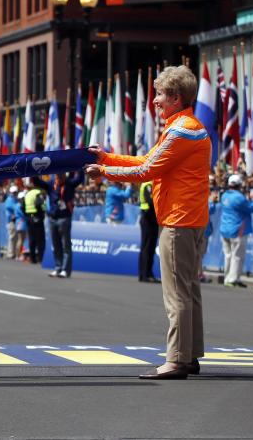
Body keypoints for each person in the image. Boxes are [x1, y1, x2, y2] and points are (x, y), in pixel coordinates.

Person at [85, 64, 210, 380]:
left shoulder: (180, 130)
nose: (154, 100)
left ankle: (178, 359)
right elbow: (146, 161)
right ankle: (190, 354)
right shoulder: (188, 127)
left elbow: (146, 170)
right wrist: (107, 157)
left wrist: (105, 172)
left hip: (178, 220)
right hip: (192, 218)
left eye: (160, 94)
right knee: (189, 288)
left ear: (176, 97)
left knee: (177, 292)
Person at [34, 172, 83, 278]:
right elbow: (37, 182)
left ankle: (65, 270)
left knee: (66, 245)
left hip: (64, 218)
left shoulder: (70, 184)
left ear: (64, 175)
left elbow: (80, 178)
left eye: (61, 175)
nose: (59, 176)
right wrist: (34, 171)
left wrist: (81, 165)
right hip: (52, 219)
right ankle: (58, 267)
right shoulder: (51, 184)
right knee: (56, 245)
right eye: (57, 175)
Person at [218, 174, 253, 289]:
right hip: (237, 230)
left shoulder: (224, 196)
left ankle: (228, 278)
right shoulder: (239, 197)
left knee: (228, 255)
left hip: (225, 230)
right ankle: (233, 279)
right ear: (239, 185)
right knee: (237, 256)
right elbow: (251, 208)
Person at [138, 179, 160, 283]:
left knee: (150, 247)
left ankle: (148, 272)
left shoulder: (151, 184)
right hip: (148, 218)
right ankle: (144, 274)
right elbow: (151, 201)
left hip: (152, 218)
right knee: (146, 247)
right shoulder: (148, 185)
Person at [22, 181, 46, 264]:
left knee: (32, 239)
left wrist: (28, 214)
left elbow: (22, 206)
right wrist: (42, 212)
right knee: (40, 239)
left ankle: (32, 258)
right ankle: (41, 258)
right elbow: (38, 204)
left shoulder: (27, 194)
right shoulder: (38, 193)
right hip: (37, 217)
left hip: (29, 218)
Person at [3, 185, 22, 259]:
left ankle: (13, 253)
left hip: (15, 221)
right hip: (11, 221)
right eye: (13, 192)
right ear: (11, 193)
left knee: (15, 238)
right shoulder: (9, 200)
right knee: (12, 237)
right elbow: (14, 207)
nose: (15, 194)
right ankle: (10, 254)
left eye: (16, 192)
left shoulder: (15, 200)